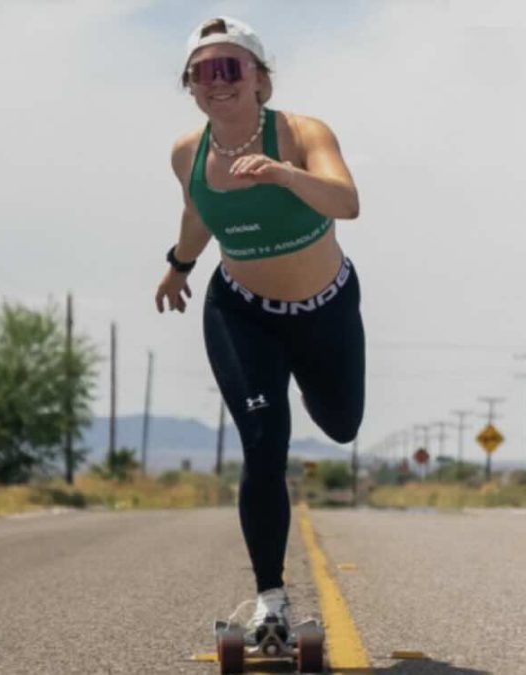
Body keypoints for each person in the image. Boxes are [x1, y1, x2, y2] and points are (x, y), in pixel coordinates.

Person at [154, 17, 364, 641]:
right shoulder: (186, 152)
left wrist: (282, 173)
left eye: (230, 68)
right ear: (191, 86)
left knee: (341, 422)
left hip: (326, 308)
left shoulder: (301, 133)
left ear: (259, 79)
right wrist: (178, 266)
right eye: (201, 72)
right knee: (264, 442)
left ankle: (303, 379)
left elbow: (345, 201)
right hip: (242, 311)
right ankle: (271, 601)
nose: (216, 82)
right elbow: (198, 216)